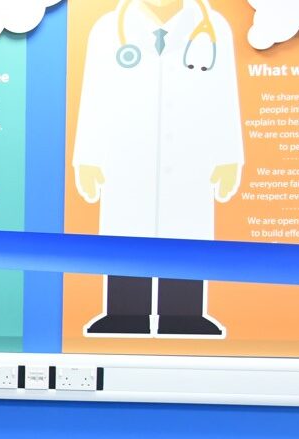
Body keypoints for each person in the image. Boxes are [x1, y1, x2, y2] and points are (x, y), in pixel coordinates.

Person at [72, 0, 243, 337]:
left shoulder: (214, 28)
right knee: (123, 233)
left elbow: (226, 96)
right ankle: (123, 313)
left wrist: (229, 157)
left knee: (187, 235)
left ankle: (186, 315)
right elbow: (93, 96)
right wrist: (87, 158)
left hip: (192, 159)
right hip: (125, 160)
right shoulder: (108, 30)